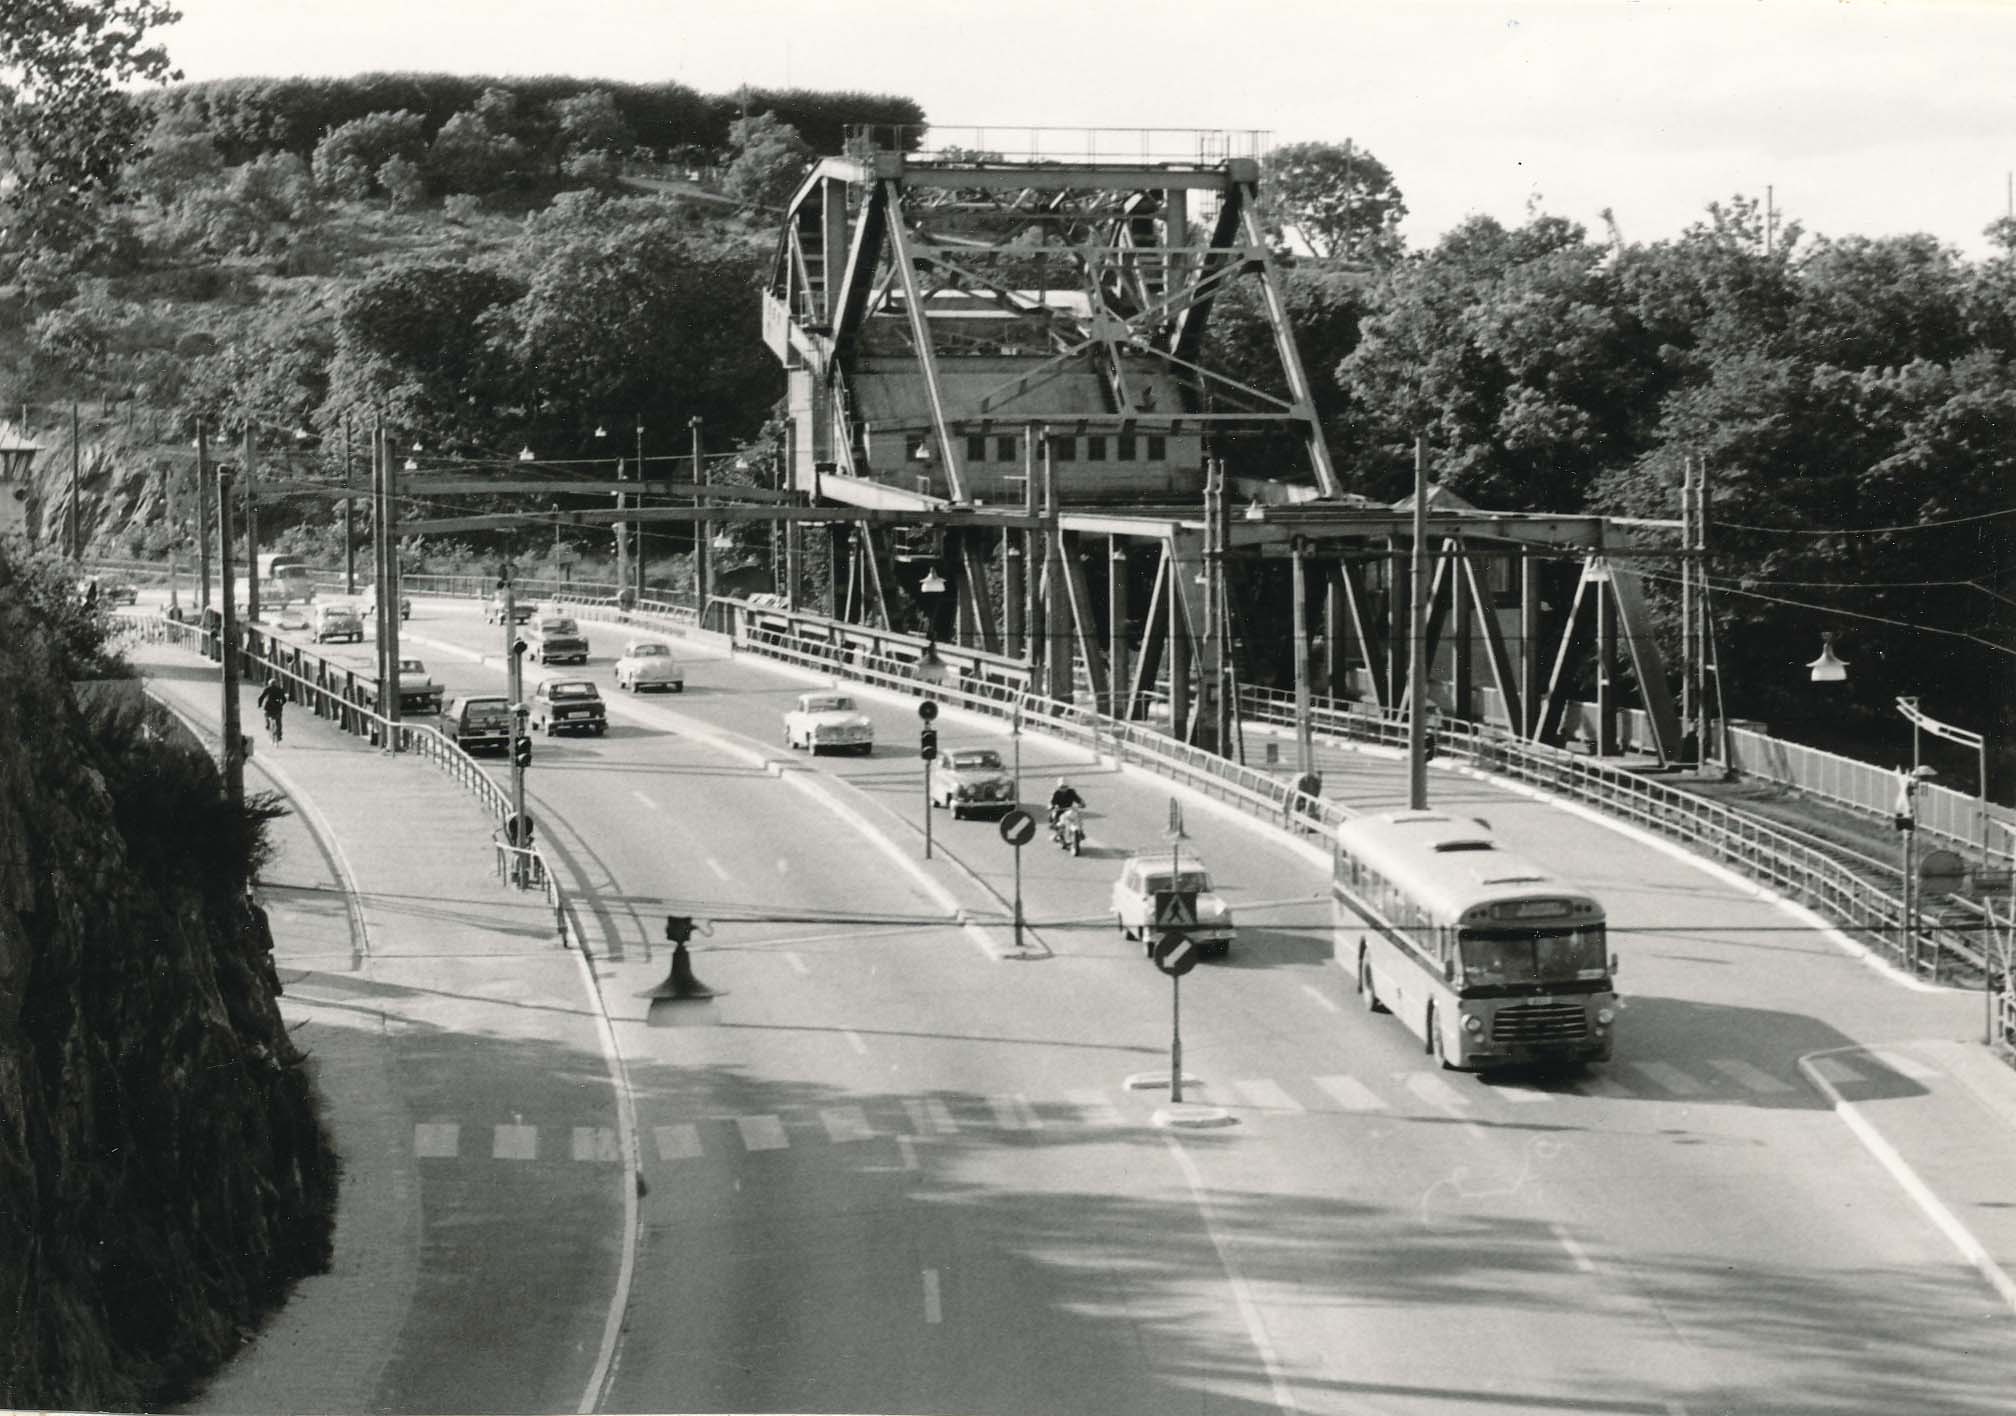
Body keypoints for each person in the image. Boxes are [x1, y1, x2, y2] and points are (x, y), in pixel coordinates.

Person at [257, 679, 287, 744]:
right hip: (277, 708)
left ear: (269, 684)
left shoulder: (267, 689)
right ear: (276, 684)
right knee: (278, 721)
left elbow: (261, 697)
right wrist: (281, 704)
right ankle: (279, 735)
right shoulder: (280, 690)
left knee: (266, 715)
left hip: (268, 707)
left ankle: (267, 725)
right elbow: (284, 700)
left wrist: (259, 705)